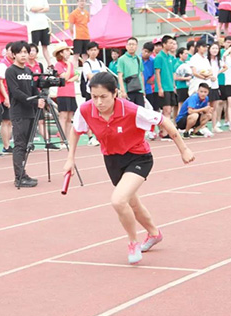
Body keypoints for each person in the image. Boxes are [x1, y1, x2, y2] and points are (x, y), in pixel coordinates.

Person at [63, 72, 195, 264]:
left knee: (118, 201)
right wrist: (70, 158)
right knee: (132, 204)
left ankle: (133, 243)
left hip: (138, 158)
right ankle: (154, 233)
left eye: (103, 97)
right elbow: (76, 131)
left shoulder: (132, 110)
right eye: (94, 97)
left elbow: (163, 121)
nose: (98, 102)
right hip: (112, 160)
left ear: (115, 93)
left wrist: (184, 149)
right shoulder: (85, 110)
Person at [5, 41, 45, 187]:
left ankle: (23, 172)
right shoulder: (11, 71)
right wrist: (34, 102)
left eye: (25, 52)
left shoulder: (28, 71)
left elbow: (33, 89)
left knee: (27, 144)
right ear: (14, 54)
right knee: (20, 144)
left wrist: (39, 98)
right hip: (19, 112)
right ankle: (19, 177)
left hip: (30, 113)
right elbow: (15, 92)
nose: (23, 55)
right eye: (20, 52)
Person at [26, 43, 59, 151]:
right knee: (29, 120)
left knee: (41, 120)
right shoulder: (24, 66)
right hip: (27, 96)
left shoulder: (39, 65)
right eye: (29, 51)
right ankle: (27, 142)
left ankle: (48, 142)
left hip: (39, 96)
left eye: (33, 51)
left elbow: (42, 80)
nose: (31, 53)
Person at [54, 43, 79, 149]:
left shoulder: (71, 64)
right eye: (66, 51)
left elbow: (76, 75)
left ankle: (67, 139)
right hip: (63, 93)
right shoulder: (58, 65)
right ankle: (62, 140)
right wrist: (68, 66)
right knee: (63, 116)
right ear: (61, 53)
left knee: (69, 117)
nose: (69, 52)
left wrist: (69, 79)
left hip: (71, 93)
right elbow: (65, 77)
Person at [154, 35, 177, 140]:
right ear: (164, 44)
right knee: (166, 110)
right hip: (163, 87)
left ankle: (164, 131)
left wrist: (173, 85)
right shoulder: (159, 57)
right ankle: (165, 132)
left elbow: (171, 73)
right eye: (170, 43)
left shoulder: (170, 57)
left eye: (173, 43)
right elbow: (157, 73)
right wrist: (159, 88)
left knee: (169, 111)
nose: (172, 45)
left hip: (170, 87)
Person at [82, 41, 105, 146]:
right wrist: (99, 77)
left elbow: (105, 75)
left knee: (101, 114)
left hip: (101, 92)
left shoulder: (100, 63)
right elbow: (89, 76)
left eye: (95, 50)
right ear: (87, 52)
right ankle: (90, 136)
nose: (93, 52)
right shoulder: (86, 64)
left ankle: (99, 136)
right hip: (90, 93)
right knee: (91, 114)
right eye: (91, 50)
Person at [0, 42, 15, 154]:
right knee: (6, 121)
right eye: (10, 50)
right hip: (6, 96)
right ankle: (6, 145)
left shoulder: (14, 63)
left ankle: (8, 144)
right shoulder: (3, 64)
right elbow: (1, 82)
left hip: (14, 95)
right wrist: (6, 97)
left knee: (10, 121)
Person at [118, 37, 145, 107]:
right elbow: (120, 76)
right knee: (129, 111)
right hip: (128, 90)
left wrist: (143, 90)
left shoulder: (139, 59)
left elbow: (141, 75)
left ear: (137, 46)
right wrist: (123, 91)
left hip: (139, 90)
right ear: (126, 46)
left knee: (141, 111)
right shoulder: (122, 59)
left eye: (133, 44)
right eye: (129, 44)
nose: (131, 46)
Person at [25, 0, 52, 66]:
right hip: (35, 27)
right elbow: (32, 9)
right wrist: (42, 8)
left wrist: (38, 9)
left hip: (44, 25)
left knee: (45, 46)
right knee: (34, 46)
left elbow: (47, 8)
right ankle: (33, 63)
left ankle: (49, 63)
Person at [208, 43, 225, 133]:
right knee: (207, 107)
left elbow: (225, 67)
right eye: (213, 48)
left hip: (215, 85)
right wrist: (210, 76)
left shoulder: (218, 60)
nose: (215, 50)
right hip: (207, 85)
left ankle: (214, 126)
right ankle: (204, 126)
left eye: (216, 49)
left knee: (214, 107)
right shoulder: (206, 60)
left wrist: (218, 73)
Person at [69, 0, 90, 67]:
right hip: (78, 36)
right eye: (80, 1)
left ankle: (86, 70)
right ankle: (75, 70)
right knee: (76, 55)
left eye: (83, 1)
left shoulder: (87, 13)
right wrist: (73, 35)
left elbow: (87, 23)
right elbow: (71, 26)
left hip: (86, 36)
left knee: (85, 54)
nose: (82, 3)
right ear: (77, 2)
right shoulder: (73, 13)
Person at [174, 47, 192, 112]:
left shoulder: (187, 63)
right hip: (181, 87)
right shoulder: (177, 64)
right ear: (180, 55)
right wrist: (186, 78)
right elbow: (175, 77)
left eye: (187, 54)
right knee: (181, 104)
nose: (186, 55)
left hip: (187, 86)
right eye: (185, 54)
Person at [141, 42, 156, 110]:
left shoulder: (153, 61)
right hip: (139, 88)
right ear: (142, 50)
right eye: (145, 51)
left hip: (149, 88)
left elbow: (156, 72)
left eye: (149, 52)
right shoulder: (137, 59)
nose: (146, 54)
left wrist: (153, 80)